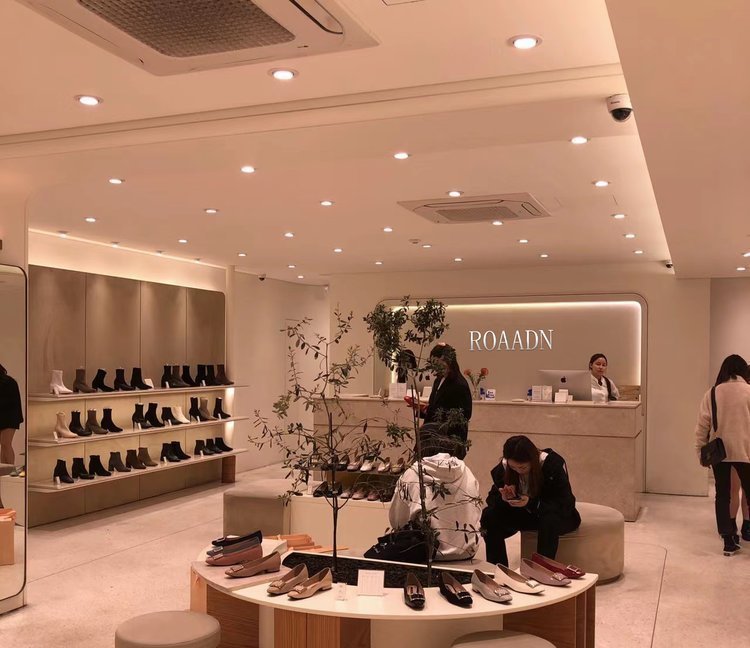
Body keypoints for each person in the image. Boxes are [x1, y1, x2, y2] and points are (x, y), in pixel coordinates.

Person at [481, 435, 581, 566]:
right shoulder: (504, 468)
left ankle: (542, 569)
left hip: (553, 516)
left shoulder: (552, 465)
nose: (518, 471)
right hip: (524, 515)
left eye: (522, 467)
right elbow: (492, 499)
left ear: (532, 460)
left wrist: (531, 503)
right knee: (489, 515)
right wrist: (504, 498)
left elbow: (565, 504)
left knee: (549, 518)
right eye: (514, 468)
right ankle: (498, 569)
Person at [389, 435, 482, 561]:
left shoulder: (412, 474)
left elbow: (397, 520)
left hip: (426, 552)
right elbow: (477, 512)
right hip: (467, 551)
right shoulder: (467, 472)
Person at [694, 354, 750, 555]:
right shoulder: (749, 391)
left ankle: (728, 540)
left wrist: (700, 451)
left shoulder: (712, 393)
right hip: (746, 452)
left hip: (720, 453)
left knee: (723, 495)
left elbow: (702, 426)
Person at [406, 343, 472, 456]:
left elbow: (465, 415)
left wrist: (437, 416)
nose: (434, 367)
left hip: (448, 441)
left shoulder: (459, 384)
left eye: (436, 363)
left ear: (446, 360)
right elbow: (435, 406)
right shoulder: (438, 380)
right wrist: (423, 408)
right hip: (430, 438)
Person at [0, 362, 24, 466]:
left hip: (10, 417)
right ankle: (3, 469)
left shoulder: (9, 382)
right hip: (4, 416)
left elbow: (13, 402)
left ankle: (10, 468)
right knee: (3, 445)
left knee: (6, 443)